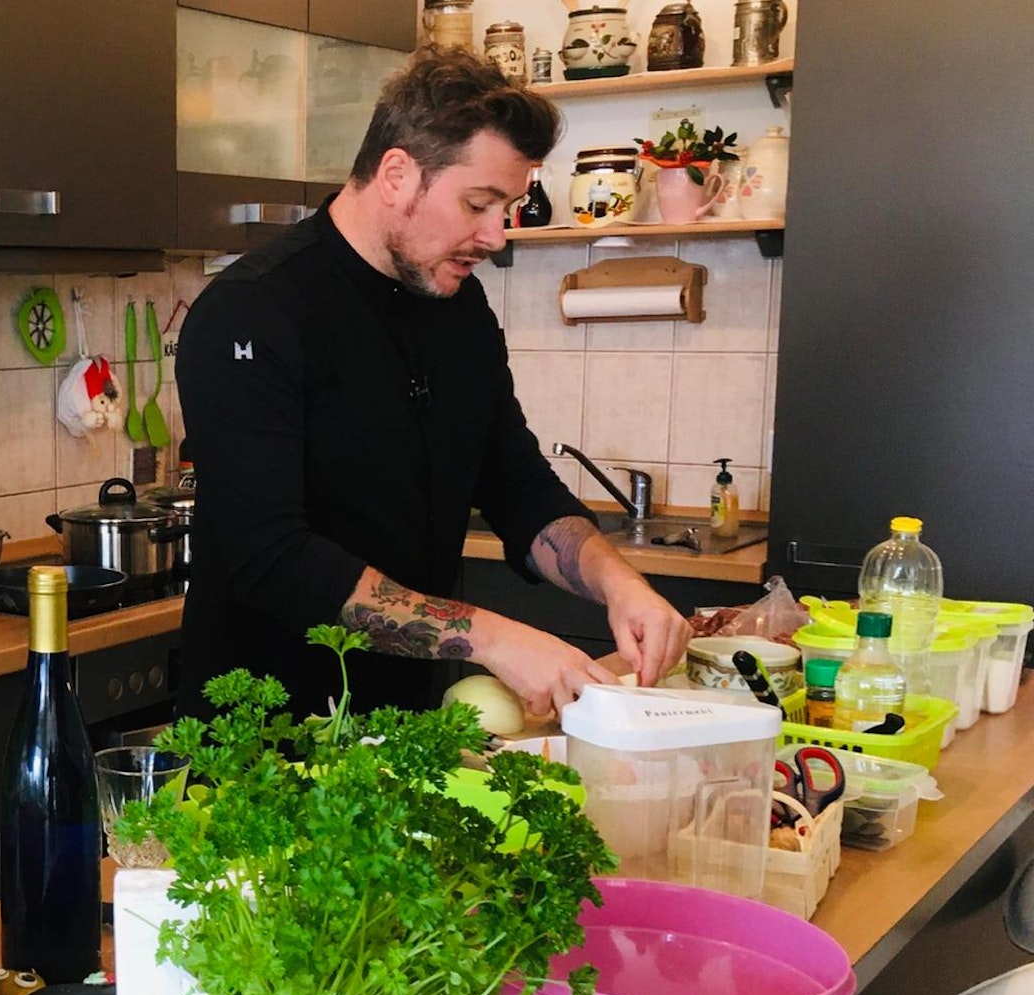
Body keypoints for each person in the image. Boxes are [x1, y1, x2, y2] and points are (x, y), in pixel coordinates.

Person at [175, 47, 691, 723]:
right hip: (260, 748)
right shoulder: (251, 312)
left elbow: (514, 483)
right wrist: (494, 636)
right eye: (479, 203)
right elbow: (275, 559)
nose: (496, 235)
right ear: (396, 174)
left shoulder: (458, 308)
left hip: (403, 731)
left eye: (505, 206)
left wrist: (619, 583)